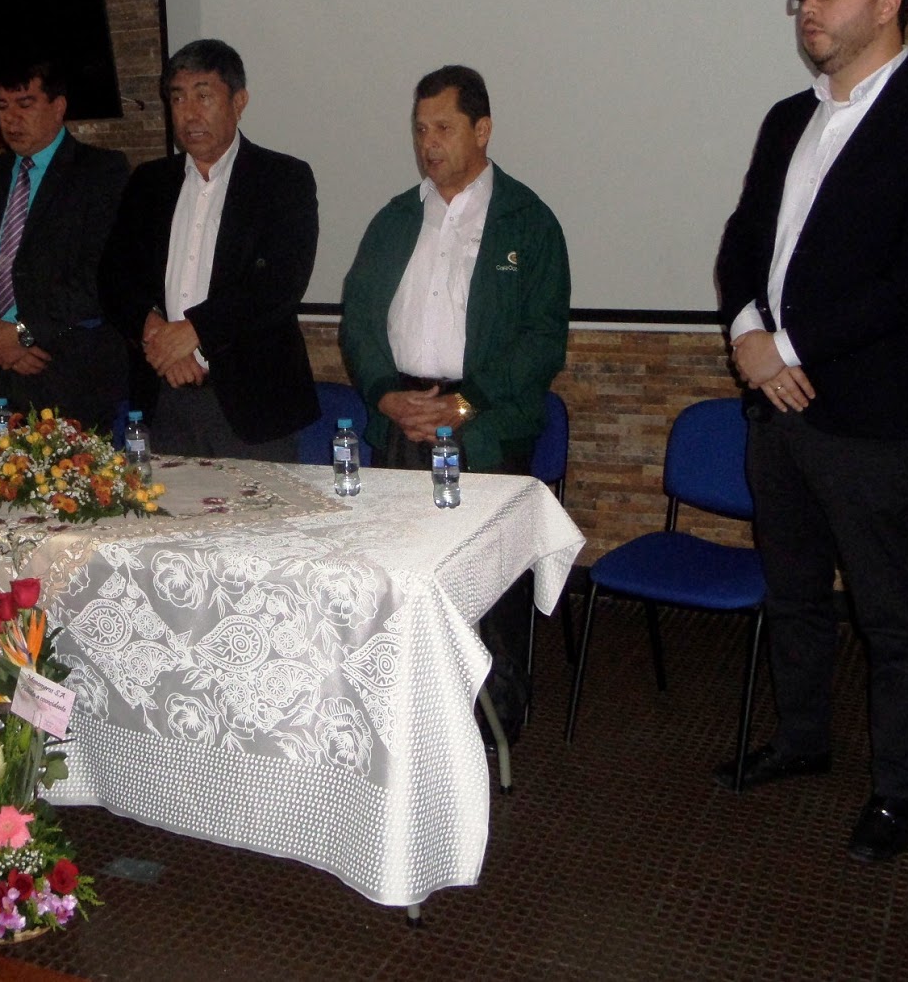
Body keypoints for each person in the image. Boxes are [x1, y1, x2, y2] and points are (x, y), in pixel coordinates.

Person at [713, 0, 908, 862]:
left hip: (872, 413)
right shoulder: (784, 118)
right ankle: (803, 740)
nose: (810, 6)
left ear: (888, 2)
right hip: (775, 405)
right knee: (794, 593)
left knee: (891, 613)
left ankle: (896, 792)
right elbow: (742, 242)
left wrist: (784, 347)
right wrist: (746, 338)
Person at [339, 64, 570, 739]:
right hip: (402, 419)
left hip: (485, 426)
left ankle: (494, 722)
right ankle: (412, 716)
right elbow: (359, 321)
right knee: (404, 575)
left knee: (487, 583)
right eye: (420, 129)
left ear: (483, 129)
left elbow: (543, 339)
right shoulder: (395, 219)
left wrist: (465, 403)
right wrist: (385, 395)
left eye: (443, 127)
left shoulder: (528, 221)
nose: (428, 142)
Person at [99, 39, 319, 460]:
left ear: (239, 101)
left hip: (252, 405)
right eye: (178, 98)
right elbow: (114, 276)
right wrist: (158, 336)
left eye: (203, 96)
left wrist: (193, 332)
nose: (189, 113)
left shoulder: (282, 178)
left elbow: (279, 283)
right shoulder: (149, 182)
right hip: (163, 395)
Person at [0, 60, 130, 428]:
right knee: (0, 468)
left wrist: (23, 333)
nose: (11, 119)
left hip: (69, 372)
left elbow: (99, 275)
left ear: (58, 107)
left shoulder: (101, 172)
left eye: (25, 104)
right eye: (2, 106)